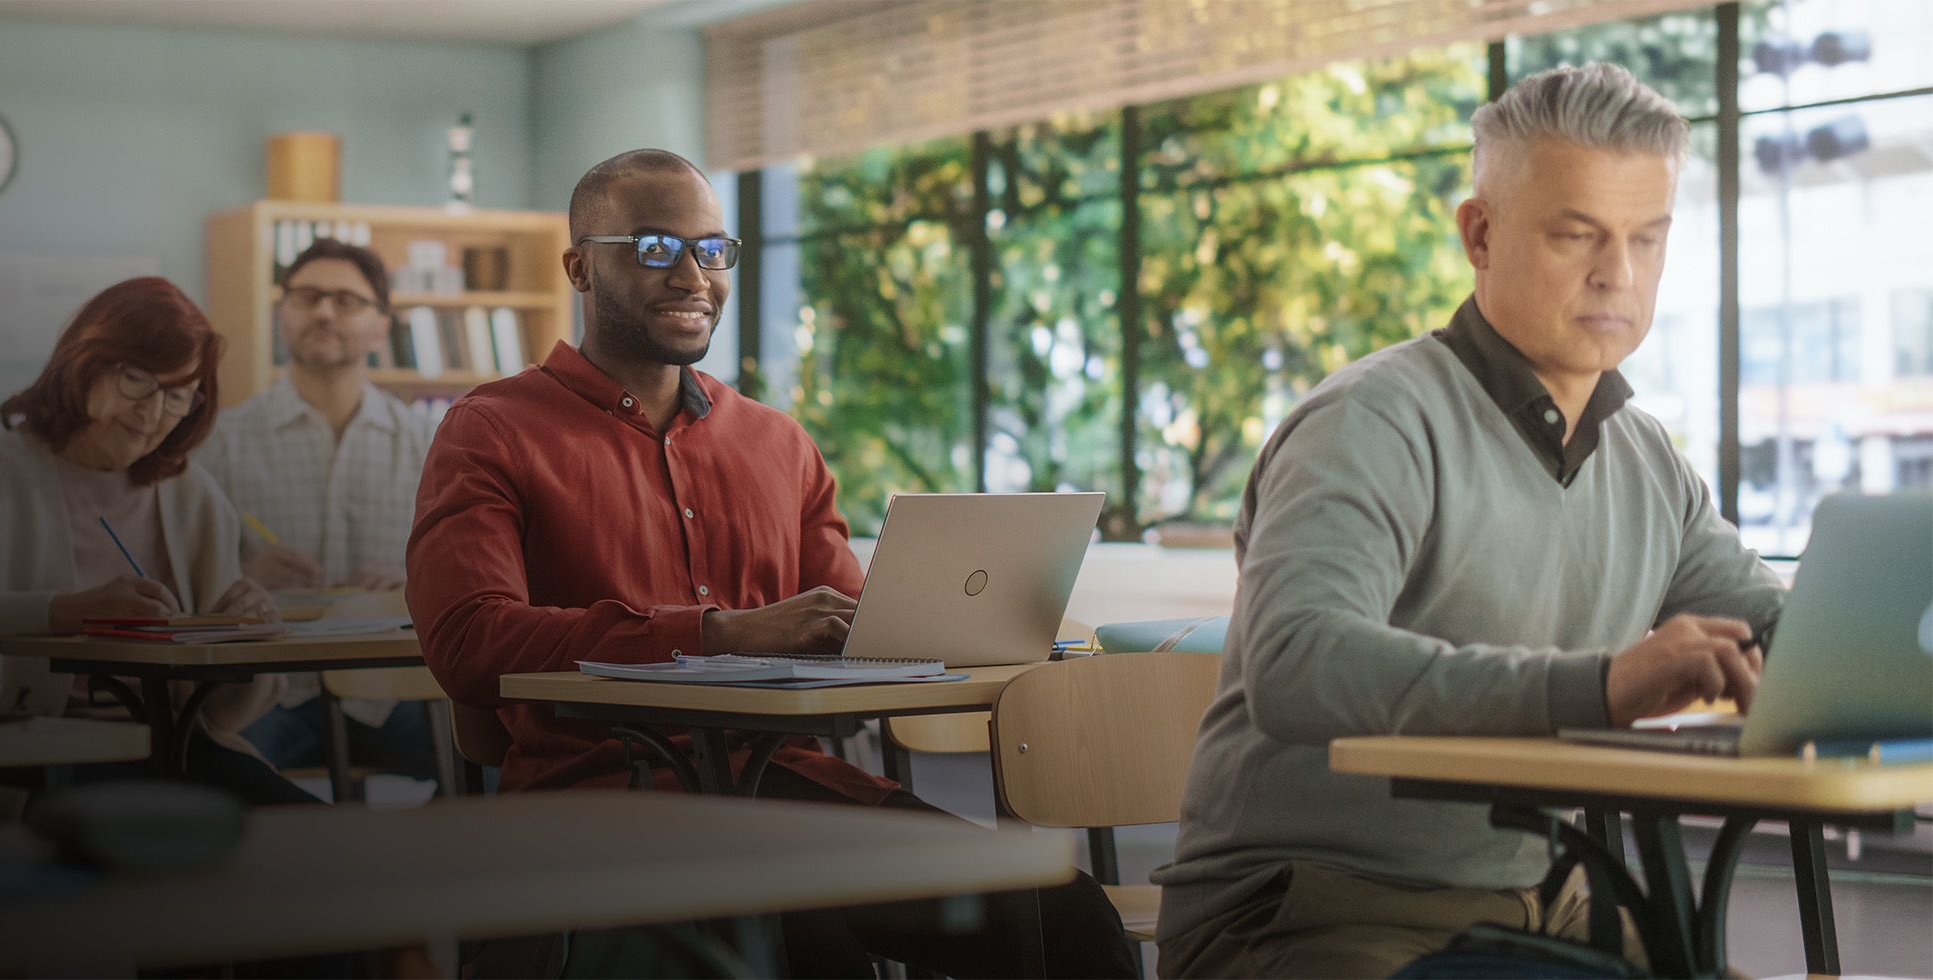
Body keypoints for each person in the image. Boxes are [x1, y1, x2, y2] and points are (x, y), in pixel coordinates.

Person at [408, 148, 1135, 978]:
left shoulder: (777, 443)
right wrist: (717, 631)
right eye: (654, 248)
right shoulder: (490, 429)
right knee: (802, 948)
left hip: (791, 790)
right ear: (579, 267)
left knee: (1061, 914)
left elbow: (860, 638)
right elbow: (467, 643)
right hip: (605, 797)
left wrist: (953, 632)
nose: (693, 275)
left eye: (713, 249)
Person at [1151, 64, 1786, 979]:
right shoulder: (1370, 421)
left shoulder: (1647, 462)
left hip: (1545, 909)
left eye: (1648, 240)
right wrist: (1600, 688)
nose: (1620, 274)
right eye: (1579, 235)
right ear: (1479, 235)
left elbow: (1772, 626)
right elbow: (1298, 662)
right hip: (1310, 912)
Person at [0, 276, 310, 806]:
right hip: (37, 754)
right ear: (85, 363)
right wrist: (62, 612)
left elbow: (218, 713)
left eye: (178, 396)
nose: (152, 414)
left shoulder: (190, 493)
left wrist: (250, 631)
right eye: (137, 381)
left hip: (173, 748)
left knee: (308, 833)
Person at [198, 238, 438, 784]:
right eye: (307, 297)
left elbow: (473, 574)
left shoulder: (432, 445)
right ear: (282, 315)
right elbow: (178, 579)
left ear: (382, 328)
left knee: (507, 764)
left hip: (396, 693)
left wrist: (411, 582)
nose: (324, 312)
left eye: (346, 301)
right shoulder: (221, 442)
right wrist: (240, 576)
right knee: (199, 769)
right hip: (270, 693)